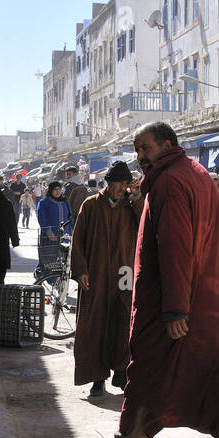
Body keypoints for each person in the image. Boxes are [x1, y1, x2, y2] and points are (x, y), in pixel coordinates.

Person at [86, 122, 219, 438]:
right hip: (213, 306)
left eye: (146, 148)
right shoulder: (197, 174)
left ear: (168, 144)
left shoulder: (170, 182)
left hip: (177, 307)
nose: (140, 157)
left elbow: (176, 248)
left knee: (144, 376)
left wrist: (174, 310)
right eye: (137, 150)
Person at [70, 161, 141, 398]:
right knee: (94, 326)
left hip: (124, 274)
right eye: (120, 183)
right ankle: (97, 378)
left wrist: (138, 196)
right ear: (110, 184)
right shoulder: (90, 206)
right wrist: (80, 271)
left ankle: (122, 373)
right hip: (96, 275)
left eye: (126, 183)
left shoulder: (131, 206)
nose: (123, 187)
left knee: (123, 324)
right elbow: (77, 240)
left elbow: (145, 223)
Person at [35, 180, 72, 268]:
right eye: (55, 189)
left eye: (59, 189)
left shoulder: (65, 201)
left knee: (63, 259)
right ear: (50, 190)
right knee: (49, 259)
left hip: (65, 235)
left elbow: (70, 217)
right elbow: (42, 218)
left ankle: (59, 279)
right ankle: (44, 276)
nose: (57, 191)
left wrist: (72, 229)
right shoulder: (44, 202)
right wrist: (48, 231)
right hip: (50, 236)